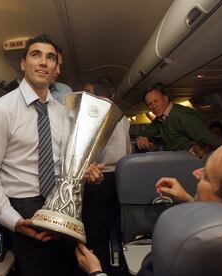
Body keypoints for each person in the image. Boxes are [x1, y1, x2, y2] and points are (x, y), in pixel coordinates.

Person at [0, 34, 103, 276]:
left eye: (50, 58)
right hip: (23, 208)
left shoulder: (63, 112)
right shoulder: (0, 111)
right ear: (24, 63)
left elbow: (66, 164)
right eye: (36, 55)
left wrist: (86, 173)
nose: (43, 62)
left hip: (62, 205)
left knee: (69, 268)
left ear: (56, 68)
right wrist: (13, 220)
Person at [76, 128, 222, 276]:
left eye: (207, 175)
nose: (195, 172)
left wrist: (96, 271)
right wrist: (188, 199)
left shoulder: (187, 246)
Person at [82, 76, 131, 274]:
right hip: (122, 175)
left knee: (96, 227)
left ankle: (98, 266)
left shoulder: (95, 113)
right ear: (111, 94)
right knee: (117, 222)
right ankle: (118, 266)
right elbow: (128, 150)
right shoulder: (122, 115)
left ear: (94, 92)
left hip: (99, 177)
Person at [135, 87, 221, 154]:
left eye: (156, 101)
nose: (153, 106)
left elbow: (210, 140)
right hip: (177, 159)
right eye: (150, 104)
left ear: (165, 98)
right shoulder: (161, 119)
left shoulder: (182, 115)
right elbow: (144, 133)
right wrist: (140, 138)